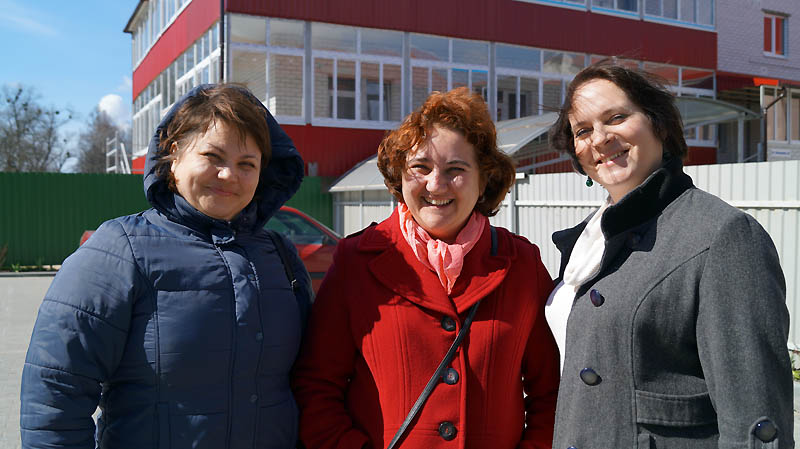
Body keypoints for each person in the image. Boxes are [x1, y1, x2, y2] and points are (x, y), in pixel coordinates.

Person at [20, 84, 312, 449]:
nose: (229, 175)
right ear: (173, 154)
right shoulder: (120, 250)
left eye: (246, 164)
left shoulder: (281, 257)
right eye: (213, 156)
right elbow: (56, 392)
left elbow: (309, 383)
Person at [291, 87, 560, 449]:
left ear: (484, 180)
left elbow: (551, 394)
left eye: (456, 169)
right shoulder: (355, 261)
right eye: (420, 167)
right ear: (399, 176)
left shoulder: (523, 264)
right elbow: (316, 388)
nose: (436, 184)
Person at [546, 61, 793, 448]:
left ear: (658, 123)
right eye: (583, 130)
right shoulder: (587, 243)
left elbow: (756, 420)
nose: (600, 138)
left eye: (616, 117)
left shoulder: (723, 234)